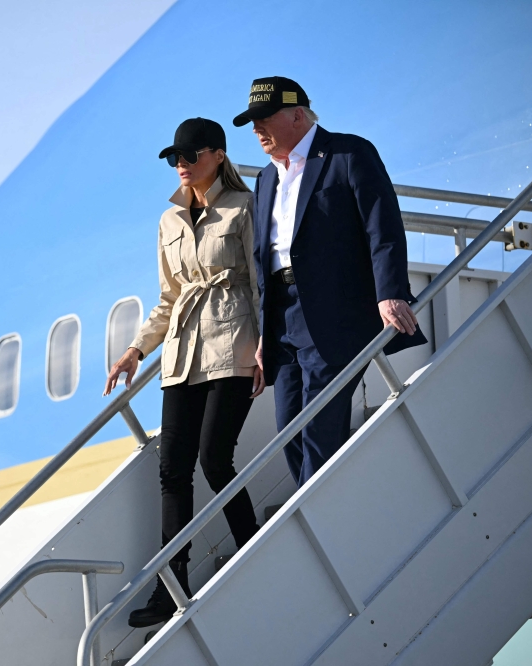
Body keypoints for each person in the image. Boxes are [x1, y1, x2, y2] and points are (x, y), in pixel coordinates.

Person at [103, 117, 263, 628]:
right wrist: (135, 350)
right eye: (176, 158)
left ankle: (254, 546)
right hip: (181, 354)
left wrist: (267, 345)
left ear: (217, 155)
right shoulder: (168, 221)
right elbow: (169, 297)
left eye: (191, 156)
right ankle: (170, 588)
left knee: (214, 458)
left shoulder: (244, 206)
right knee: (172, 468)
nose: (182, 165)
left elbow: (262, 283)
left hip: (234, 342)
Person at [232, 76, 427, 488]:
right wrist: (266, 332)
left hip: (333, 313)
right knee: (289, 430)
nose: (256, 130)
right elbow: (264, 257)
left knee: (320, 429)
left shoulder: (348, 153)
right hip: (283, 319)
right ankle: (314, 510)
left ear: (297, 114)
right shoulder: (267, 178)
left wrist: (390, 292)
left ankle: (308, 526)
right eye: (252, 122)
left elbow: (383, 227)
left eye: (263, 118)